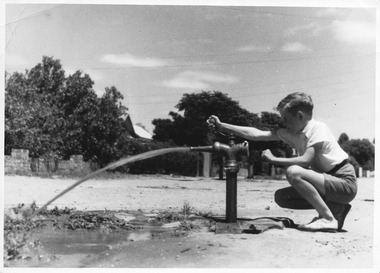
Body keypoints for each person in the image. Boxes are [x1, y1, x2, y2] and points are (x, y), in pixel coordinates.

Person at [207, 92, 357, 231]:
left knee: (294, 172)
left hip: (344, 183)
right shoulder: (293, 133)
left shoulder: (318, 128)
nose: (283, 123)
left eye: (286, 119)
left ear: (299, 116)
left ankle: (327, 218)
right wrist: (222, 126)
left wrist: (274, 159)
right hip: (327, 184)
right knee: (282, 197)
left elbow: (305, 161)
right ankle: (336, 209)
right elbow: (256, 134)